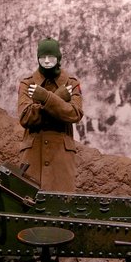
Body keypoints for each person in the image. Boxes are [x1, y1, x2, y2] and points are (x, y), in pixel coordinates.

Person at [17, 38, 84, 192]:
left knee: (61, 204)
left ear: (58, 58)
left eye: (51, 57)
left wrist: (46, 98)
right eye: (42, 57)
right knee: (29, 202)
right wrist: (58, 98)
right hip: (33, 155)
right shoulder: (27, 84)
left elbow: (75, 114)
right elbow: (26, 117)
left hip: (61, 155)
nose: (46, 61)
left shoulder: (71, 83)